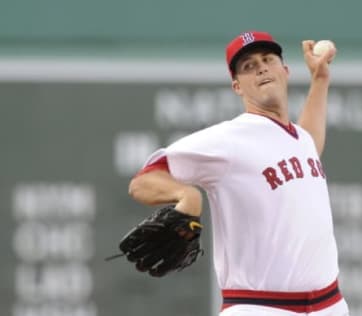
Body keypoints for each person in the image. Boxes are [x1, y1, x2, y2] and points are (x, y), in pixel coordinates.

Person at [128, 31, 349, 316]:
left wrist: (320, 80)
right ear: (237, 86)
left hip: (329, 306)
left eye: (268, 59)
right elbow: (143, 181)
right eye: (248, 66)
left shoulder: (299, 139)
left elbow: (309, 144)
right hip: (259, 307)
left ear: (285, 70)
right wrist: (187, 195)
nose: (260, 67)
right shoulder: (229, 139)